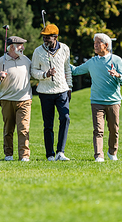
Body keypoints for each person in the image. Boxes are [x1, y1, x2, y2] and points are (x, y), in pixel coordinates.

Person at [70, 33, 122, 162]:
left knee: (114, 130)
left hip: (114, 101)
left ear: (106, 45)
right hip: (96, 101)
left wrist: (117, 75)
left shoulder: (117, 60)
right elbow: (75, 71)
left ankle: (112, 152)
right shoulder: (92, 62)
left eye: (98, 43)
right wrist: (61, 62)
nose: (95, 46)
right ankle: (99, 155)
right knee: (98, 130)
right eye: (94, 44)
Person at [31, 24, 73, 161]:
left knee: (65, 118)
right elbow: (33, 71)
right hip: (45, 92)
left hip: (62, 90)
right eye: (43, 37)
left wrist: (70, 87)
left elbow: (67, 69)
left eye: (48, 37)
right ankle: (50, 154)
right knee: (48, 124)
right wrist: (45, 74)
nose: (45, 40)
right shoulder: (38, 51)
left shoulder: (65, 49)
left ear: (55, 37)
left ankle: (60, 152)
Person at [0, 36, 32, 162]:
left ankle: (24, 156)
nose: (23, 48)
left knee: (23, 128)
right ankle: (8, 154)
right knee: (9, 129)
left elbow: (35, 74)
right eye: (20, 45)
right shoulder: (1, 61)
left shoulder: (26, 61)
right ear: (12, 47)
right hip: (6, 100)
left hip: (24, 99)